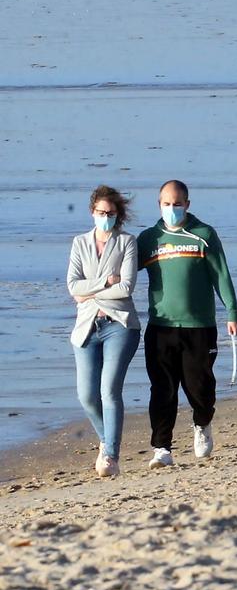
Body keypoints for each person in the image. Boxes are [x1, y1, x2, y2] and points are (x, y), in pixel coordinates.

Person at [137, 180, 237, 468]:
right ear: (159, 204)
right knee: (162, 389)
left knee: (200, 387)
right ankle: (161, 448)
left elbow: (221, 274)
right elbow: (123, 272)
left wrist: (233, 312)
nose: (172, 209)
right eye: (167, 204)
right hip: (161, 327)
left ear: (187, 204)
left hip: (199, 326)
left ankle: (202, 422)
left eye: (178, 203)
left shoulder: (203, 234)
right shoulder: (148, 239)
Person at [69, 185, 138, 478]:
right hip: (86, 327)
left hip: (119, 325)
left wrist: (92, 289)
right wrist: (105, 282)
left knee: (109, 390)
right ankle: (105, 438)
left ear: (118, 215)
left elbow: (126, 287)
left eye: (110, 213)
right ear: (92, 212)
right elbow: (73, 286)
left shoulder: (126, 242)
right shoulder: (80, 243)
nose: (105, 217)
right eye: (100, 212)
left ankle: (111, 454)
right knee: (87, 395)